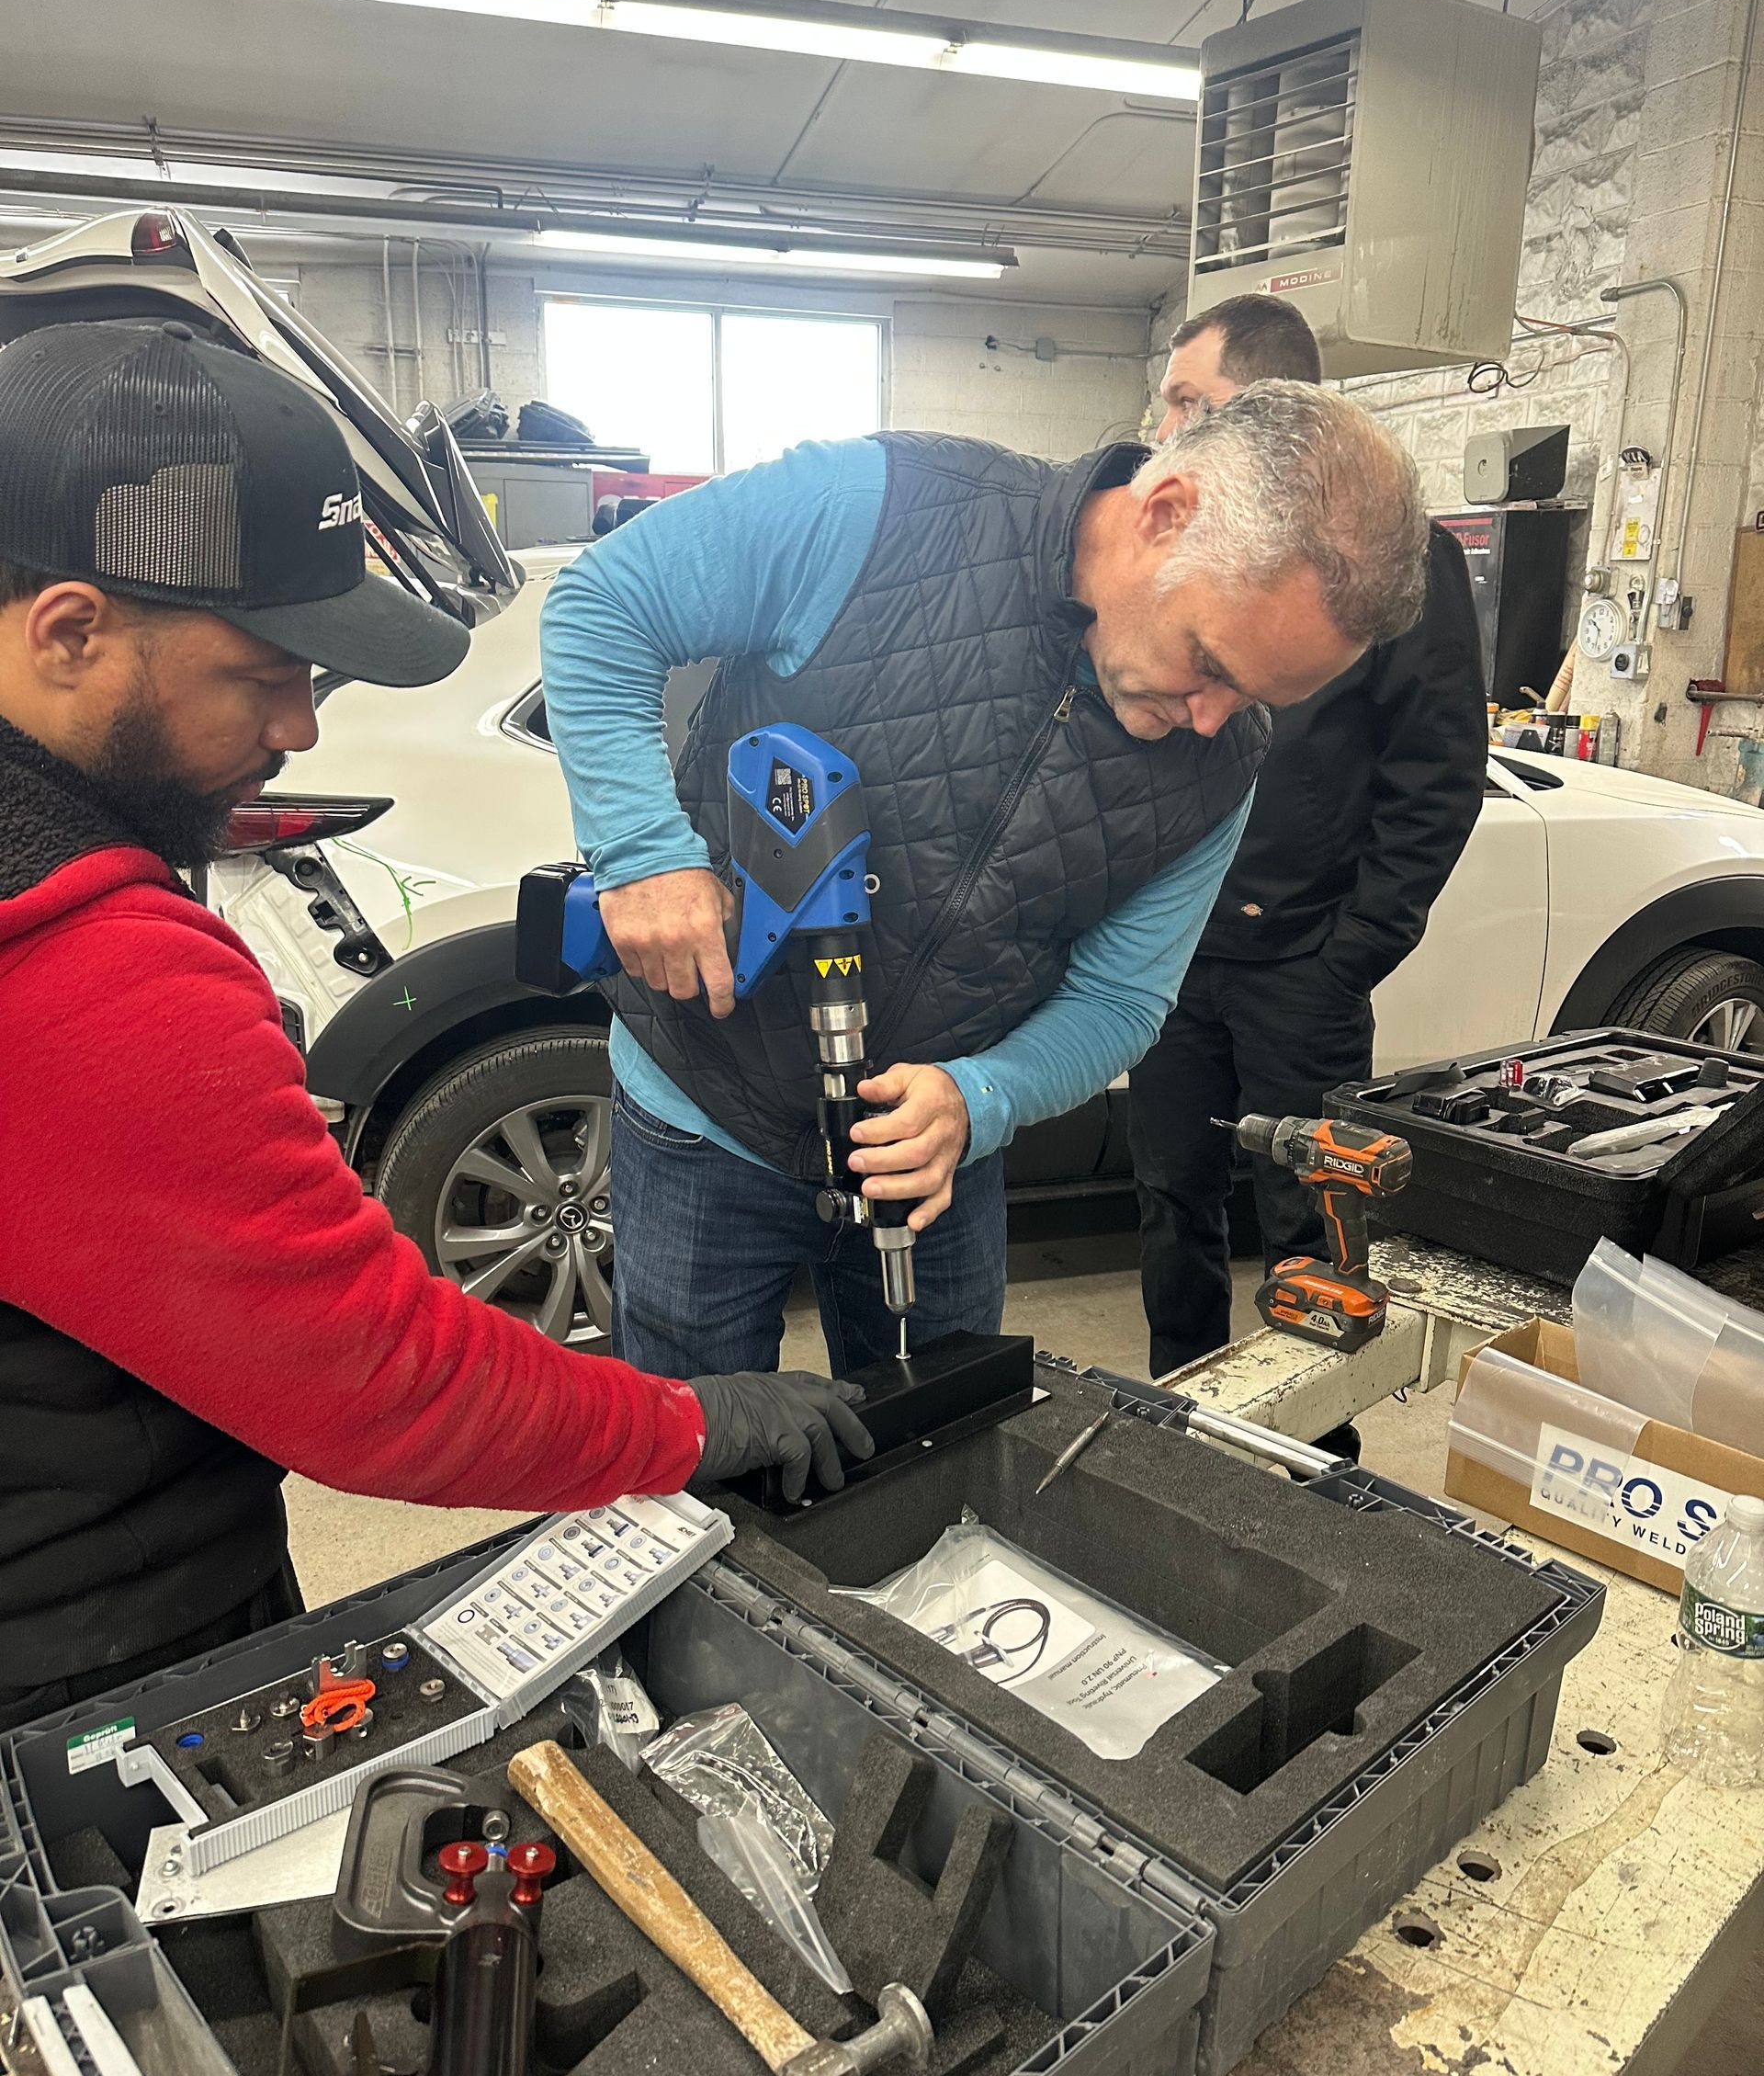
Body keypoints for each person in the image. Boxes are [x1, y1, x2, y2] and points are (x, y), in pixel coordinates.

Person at [0, 320, 871, 1736]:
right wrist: (696, 1422)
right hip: (91, 1643)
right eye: (266, 669)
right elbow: (382, 1382)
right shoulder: (89, 970)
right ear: (73, 631)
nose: (298, 728)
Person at [539, 388, 1430, 1382]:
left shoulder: (1220, 766)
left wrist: (977, 1100)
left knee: (932, 1463)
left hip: (934, 1168)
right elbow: (601, 607)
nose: (1215, 719)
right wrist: (643, 851)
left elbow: (1119, 1000)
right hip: (704, 1113)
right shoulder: (877, 508)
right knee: (685, 1467)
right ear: (1164, 511)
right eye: (1208, 663)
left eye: (1256, 697)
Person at [1129, 295, 1488, 1377]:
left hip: (1301, 967)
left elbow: (1438, 777)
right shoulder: (1177, 538)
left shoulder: (1392, 557)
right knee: (1169, 1204)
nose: (1167, 430)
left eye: (1191, 402)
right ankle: (1171, 1425)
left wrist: (1346, 960)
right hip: (1171, 960)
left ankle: (1317, 1458)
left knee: (1312, 1225)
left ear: (1272, 407)